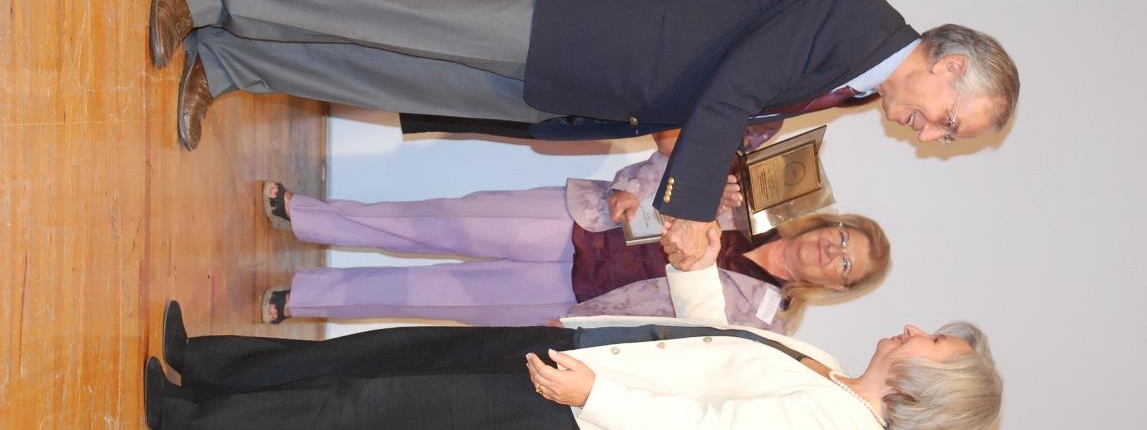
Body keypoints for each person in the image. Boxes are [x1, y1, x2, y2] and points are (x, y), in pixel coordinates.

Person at [148, 0, 1019, 270]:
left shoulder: (861, 86)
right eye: (951, 121)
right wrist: (689, 209)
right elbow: (740, 81)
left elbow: (734, 91)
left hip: (594, 93)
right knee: (402, 15)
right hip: (584, 31)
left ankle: (227, 64)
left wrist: (706, 159)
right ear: (949, 66)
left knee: (400, 77)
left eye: (946, 140)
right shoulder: (860, 21)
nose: (932, 134)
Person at [257, 133, 891, 331]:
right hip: (579, 223)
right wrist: (630, 189)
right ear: (830, 222)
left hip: (577, 302)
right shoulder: (753, 196)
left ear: (838, 287)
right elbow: (672, 164)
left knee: (429, 297)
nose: (830, 251)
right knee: (432, 220)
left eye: (845, 263)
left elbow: (683, 342)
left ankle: (301, 300)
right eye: (842, 237)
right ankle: (306, 214)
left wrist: (591, 338)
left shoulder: (765, 324)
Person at [144, 300, 1003, 430]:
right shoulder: (824, 364)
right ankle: (206, 364)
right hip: (580, 354)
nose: (913, 330)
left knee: (369, 404)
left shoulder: (832, 423)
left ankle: (190, 419)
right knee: (387, 351)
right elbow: (710, 340)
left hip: (571, 405)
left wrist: (598, 395)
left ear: (925, 385)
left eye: (931, 341)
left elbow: (701, 427)